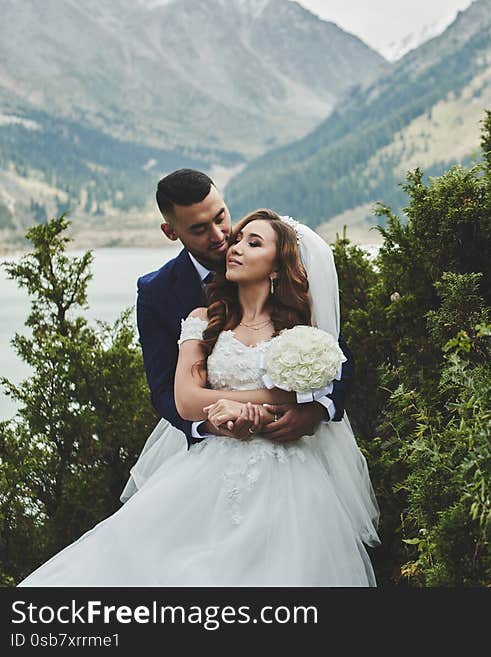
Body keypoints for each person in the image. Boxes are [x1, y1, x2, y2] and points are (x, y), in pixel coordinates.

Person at [19, 209, 379, 586]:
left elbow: (312, 386)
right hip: (208, 470)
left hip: (291, 478)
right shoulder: (203, 318)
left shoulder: (302, 331)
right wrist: (252, 405)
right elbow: (187, 400)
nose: (235, 247)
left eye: (253, 243)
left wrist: (242, 403)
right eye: (238, 239)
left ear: (277, 267)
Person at [120, 169, 354, 502]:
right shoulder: (157, 292)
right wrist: (210, 424)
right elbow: (163, 390)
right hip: (208, 453)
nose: (220, 236)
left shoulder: (270, 254)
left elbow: (333, 353)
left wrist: (312, 412)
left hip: (291, 459)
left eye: (221, 217)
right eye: (199, 229)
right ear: (171, 231)